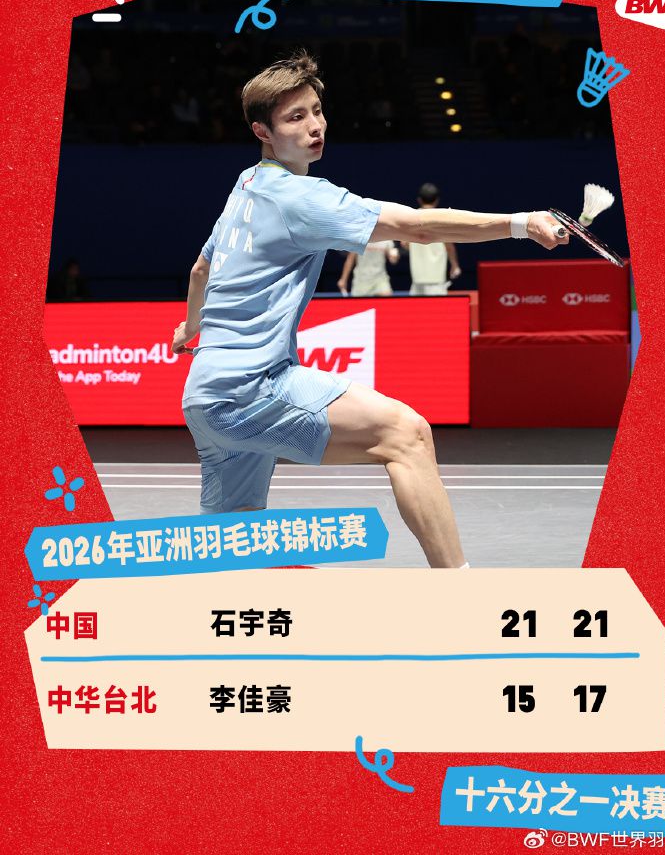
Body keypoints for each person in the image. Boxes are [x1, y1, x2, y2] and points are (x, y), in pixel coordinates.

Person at [172, 51, 568, 569]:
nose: (314, 126)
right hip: (252, 388)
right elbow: (415, 227)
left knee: (238, 543)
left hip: (204, 399)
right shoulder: (301, 198)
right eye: (295, 118)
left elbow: (200, 270)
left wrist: (191, 327)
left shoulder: (245, 184)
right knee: (406, 435)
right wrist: (520, 223)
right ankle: (464, 593)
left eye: (317, 111)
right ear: (262, 131)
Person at [402, 183, 462, 295]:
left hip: (417, 278)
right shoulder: (442, 218)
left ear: (419, 200)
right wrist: (454, 265)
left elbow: (404, 244)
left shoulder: (411, 217)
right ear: (436, 200)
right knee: (436, 307)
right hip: (436, 279)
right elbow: (449, 246)